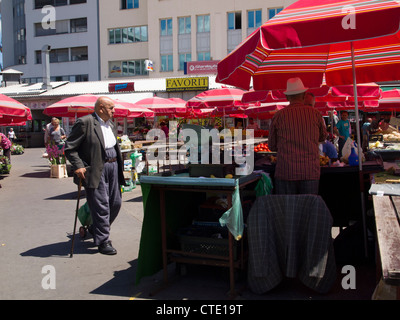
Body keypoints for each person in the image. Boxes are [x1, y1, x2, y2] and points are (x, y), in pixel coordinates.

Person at [65, 96, 127, 255]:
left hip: (113, 166)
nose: (114, 111)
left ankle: (95, 228)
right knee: (101, 206)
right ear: (101, 108)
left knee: (116, 203)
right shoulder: (85, 123)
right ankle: (103, 241)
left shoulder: (111, 124)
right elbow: (70, 148)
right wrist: (78, 166)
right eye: (111, 108)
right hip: (95, 168)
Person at [268, 77, 327, 195]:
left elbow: (272, 146)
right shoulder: (315, 114)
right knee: (308, 210)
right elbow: (322, 138)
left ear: (287, 97)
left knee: (287, 210)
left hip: (286, 172)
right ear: (304, 95)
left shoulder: (279, 116)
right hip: (310, 172)